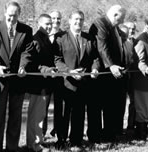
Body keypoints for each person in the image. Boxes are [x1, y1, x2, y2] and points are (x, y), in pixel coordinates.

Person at [0, 1, 36, 151]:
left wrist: (22, 66)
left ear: (19, 15)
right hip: (0, 80)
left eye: (15, 16)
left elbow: (28, 52)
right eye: (9, 16)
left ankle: (12, 147)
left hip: (18, 80)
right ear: (4, 13)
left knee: (15, 116)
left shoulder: (26, 30)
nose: (11, 19)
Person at [54, 10, 100, 146]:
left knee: (78, 113)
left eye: (81, 19)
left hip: (84, 83)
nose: (78, 22)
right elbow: (57, 60)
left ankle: (76, 140)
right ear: (69, 21)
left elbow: (95, 58)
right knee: (64, 114)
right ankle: (61, 140)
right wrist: (69, 71)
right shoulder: (61, 37)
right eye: (75, 19)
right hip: (66, 83)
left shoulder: (89, 38)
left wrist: (95, 68)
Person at [88, 5, 127, 142]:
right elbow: (102, 47)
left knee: (111, 105)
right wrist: (111, 65)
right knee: (97, 106)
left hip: (113, 73)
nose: (121, 22)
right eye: (121, 19)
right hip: (101, 72)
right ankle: (95, 136)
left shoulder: (115, 27)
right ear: (115, 15)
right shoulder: (101, 23)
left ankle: (109, 134)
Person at [24, 14, 56, 152]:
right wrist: (47, 69)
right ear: (39, 24)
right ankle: (33, 144)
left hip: (45, 83)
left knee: (40, 115)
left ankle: (38, 141)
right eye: (46, 24)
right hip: (37, 84)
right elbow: (32, 64)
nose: (49, 26)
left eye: (50, 24)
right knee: (35, 116)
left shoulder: (45, 39)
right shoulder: (36, 40)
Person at [45, 10, 65, 138]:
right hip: (46, 75)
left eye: (58, 18)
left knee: (59, 106)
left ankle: (58, 130)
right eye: (53, 18)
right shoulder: (44, 35)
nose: (56, 21)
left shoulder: (65, 36)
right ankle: (41, 132)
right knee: (43, 106)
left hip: (60, 76)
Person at [118, 23, 138, 134]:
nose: (131, 30)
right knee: (120, 103)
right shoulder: (119, 43)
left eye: (133, 29)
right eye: (129, 28)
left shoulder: (135, 43)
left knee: (133, 102)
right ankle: (119, 128)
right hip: (121, 78)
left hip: (133, 77)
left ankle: (131, 125)